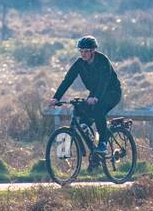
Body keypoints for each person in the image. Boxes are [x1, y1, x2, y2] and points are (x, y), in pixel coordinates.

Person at [50, 36, 123, 169]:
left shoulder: (103, 61)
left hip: (112, 92)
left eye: (86, 51)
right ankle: (94, 155)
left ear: (93, 51)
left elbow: (104, 81)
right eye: (81, 51)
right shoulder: (79, 63)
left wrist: (95, 97)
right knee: (81, 115)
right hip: (95, 93)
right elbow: (68, 80)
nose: (83, 54)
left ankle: (102, 143)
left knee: (98, 110)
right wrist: (56, 97)